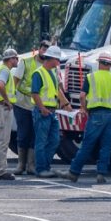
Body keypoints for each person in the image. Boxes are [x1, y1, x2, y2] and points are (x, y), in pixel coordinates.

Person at [66, 53, 111, 184]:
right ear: (110, 65)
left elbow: (82, 95)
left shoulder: (91, 77)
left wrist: (84, 109)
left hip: (96, 113)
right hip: (110, 115)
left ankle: (74, 172)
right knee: (106, 146)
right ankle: (101, 174)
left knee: (87, 145)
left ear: (99, 63)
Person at [30, 45, 71, 179]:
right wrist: (42, 108)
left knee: (54, 140)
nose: (59, 63)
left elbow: (57, 91)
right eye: (58, 60)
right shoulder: (38, 73)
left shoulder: (53, 73)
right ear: (51, 58)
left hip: (52, 112)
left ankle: (45, 167)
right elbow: (34, 93)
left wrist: (65, 103)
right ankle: (41, 169)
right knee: (41, 141)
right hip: (42, 111)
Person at [9, 40, 49, 175]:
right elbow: (15, 81)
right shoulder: (26, 62)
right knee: (23, 133)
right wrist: (10, 99)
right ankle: (21, 164)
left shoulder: (49, 66)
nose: (45, 51)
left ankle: (31, 165)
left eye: (47, 49)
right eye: (43, 48)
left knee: (34, 135)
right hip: (22, 104)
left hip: (37, 106)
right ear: (39, 49)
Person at [0, 48, 20, 180]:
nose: (17, 60)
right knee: (2, 140)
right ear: (11, 59)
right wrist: (7, 101)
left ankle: (0, 169)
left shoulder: (2, 69)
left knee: (2, 140)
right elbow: (1, 86)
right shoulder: (5, 71)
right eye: (16, 58)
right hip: (3, 108)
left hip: (0, 107)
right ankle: (0, 171)